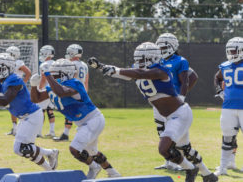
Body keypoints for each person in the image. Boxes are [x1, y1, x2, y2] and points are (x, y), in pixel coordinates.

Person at [88, 42, 217, 182]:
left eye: (142, 59)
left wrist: (115, 70)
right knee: (185, 149)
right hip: (170, 116)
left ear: (153, 58)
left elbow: (140, 73)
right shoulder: (141, 69)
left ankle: (190, 169)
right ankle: (208, 175)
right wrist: (102, 67)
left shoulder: (161, 71)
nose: (138, 62)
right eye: (137, 59)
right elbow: (129, 74)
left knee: (164, 149)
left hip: (180, 114)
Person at [30, 58, 120, 179]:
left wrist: (47, 75)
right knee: (92, 152)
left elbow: (61, 92)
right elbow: (36, 99)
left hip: (92, 119)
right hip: (83, 122)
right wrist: (34, 86)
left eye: (54, 74)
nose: (52, 77)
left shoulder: (75, 84)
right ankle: (113, 173)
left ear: (64, 74)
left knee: (75, 149)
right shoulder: (55, 86)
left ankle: (94, 167)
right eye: (51, 74)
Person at [154, 33, 199, 171]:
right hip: (158, 101)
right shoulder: (158, 61)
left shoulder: (180, 60)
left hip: (172, 102)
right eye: (159, 47)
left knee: (172, 133)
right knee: (161, 131)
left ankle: (176, 162)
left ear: (172, 46)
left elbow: (189, 79)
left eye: (163, 47)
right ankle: (168, 161)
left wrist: (181, 96)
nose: (160, 50)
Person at [214, 37, 243, 176]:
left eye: (234, 50)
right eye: (229, 50)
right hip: (228, 107)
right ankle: (223, 167)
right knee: (227, 138)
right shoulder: (224, 65)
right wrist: (219, 91)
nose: (231, 53)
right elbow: (217, 77)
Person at [53, 44, 89, 142]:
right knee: (77, 114)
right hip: (82, 91)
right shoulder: (84, 65)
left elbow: (70, 78)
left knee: (72, 113)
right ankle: (66, 134)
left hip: (72, 90)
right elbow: (86, 80)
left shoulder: (71, 64)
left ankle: (68, 134)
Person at [5, 46, 31, 136]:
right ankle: (15, 128)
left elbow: (28, 72)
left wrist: (22, 83)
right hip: (10, 88)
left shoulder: (18, 63)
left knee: (19, 108)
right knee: (12, 108)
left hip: (17, 89)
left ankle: (21, 128)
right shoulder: (7, 63)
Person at [37, 45, 56, 138]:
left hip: (46, 89)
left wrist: (39, 89)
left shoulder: (44, 65)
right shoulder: (56, 63)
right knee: (50, 110)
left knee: (41, 111)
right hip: (55, 89)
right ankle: (52, 131)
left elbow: (43, 78)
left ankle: (39, 132)